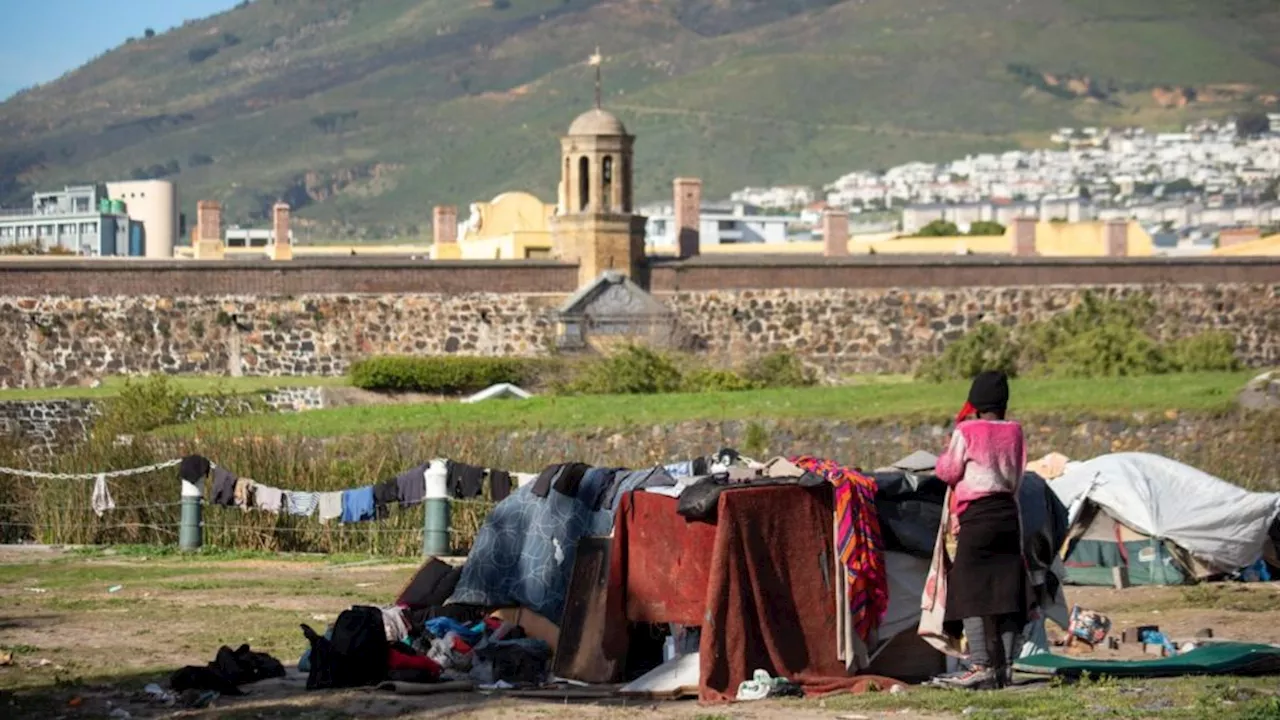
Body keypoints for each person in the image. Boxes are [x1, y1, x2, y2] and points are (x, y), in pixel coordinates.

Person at [933, 370, 1028, 690]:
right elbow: (1017, 477)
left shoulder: (967, 430)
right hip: (1007, 515)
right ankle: (1007, 668)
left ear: (976, 402)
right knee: (1005, 590)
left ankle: (980, 666)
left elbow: (949, 471)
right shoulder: (1015, 431)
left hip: (978, 515)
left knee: (968, 588)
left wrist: (943, 454)